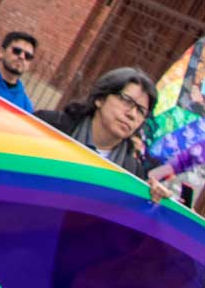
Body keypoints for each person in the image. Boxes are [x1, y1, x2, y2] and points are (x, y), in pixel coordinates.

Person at [39, 68, 171, 201]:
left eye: (141, 111)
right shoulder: (47, 127)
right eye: (126, 101)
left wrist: (148, 198)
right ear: (100, 99)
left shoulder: (133, 173)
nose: (132, 114)